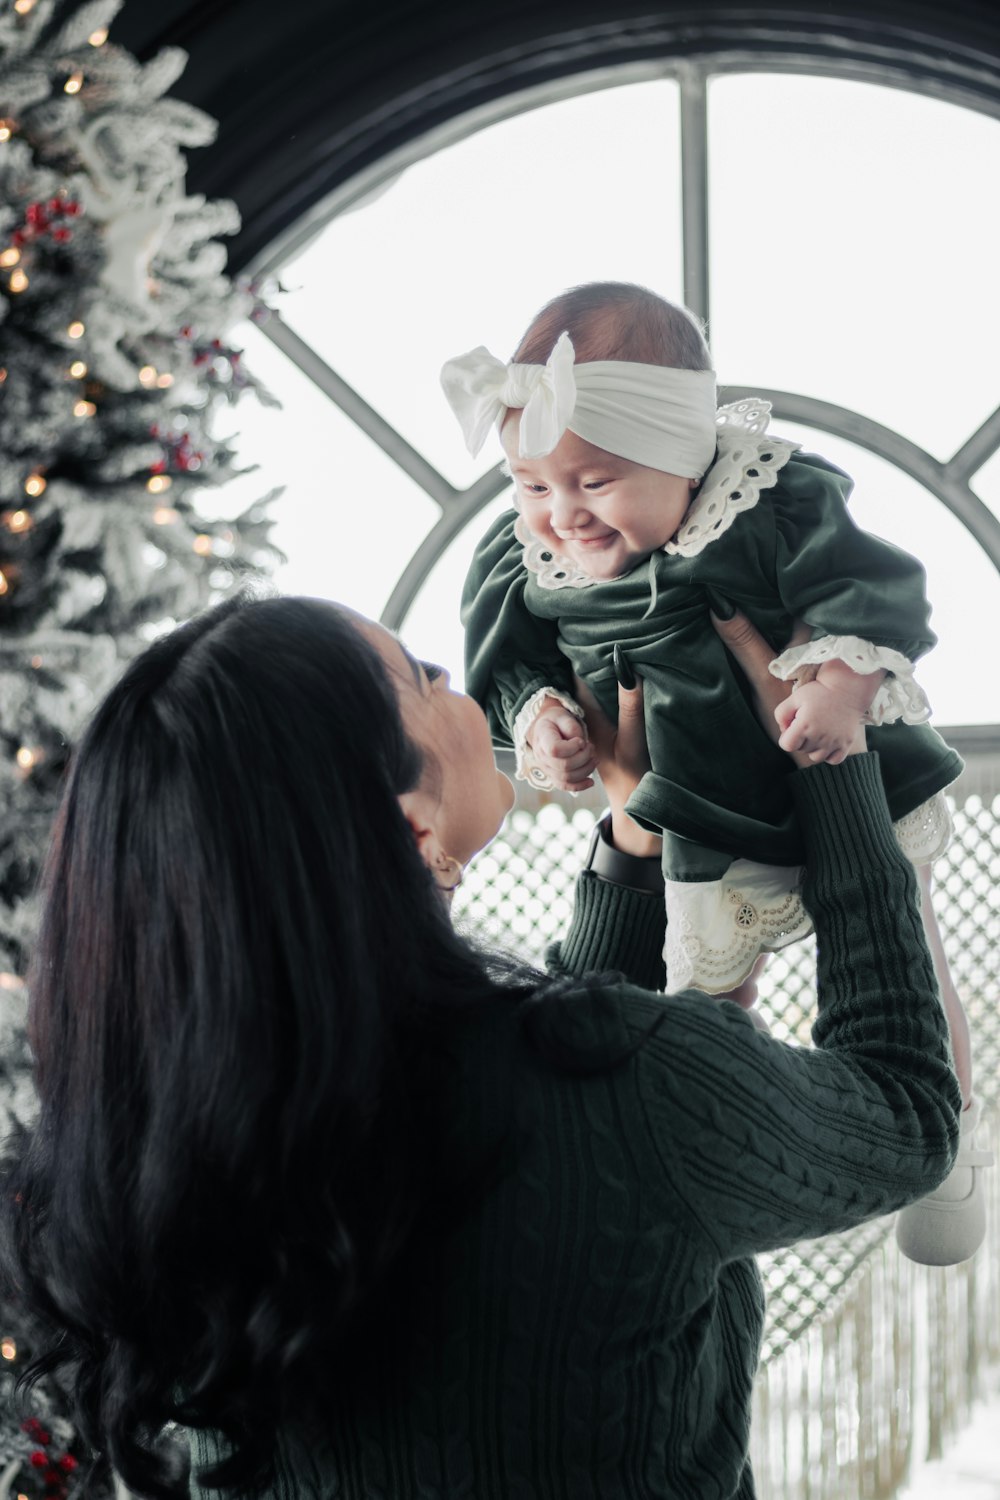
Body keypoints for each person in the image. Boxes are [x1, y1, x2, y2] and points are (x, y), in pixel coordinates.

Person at [0, 588, 965, 1500]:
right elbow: (908, 1114)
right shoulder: (640, 1087)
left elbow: (550, 1148)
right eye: (425, 678)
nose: (462, 690)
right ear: (412, 826)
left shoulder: (160, 1170)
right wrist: (834, 765)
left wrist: (633, 844)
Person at [442, 279, 991, 1265]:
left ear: (683, 456)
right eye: (533, 486)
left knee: (908, 958)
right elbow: (505, 660)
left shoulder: (769, 502)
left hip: (835, 775)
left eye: (595, 482)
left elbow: (866, 587)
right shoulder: (522, 558)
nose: (560, 514)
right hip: (691, 813)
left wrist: (833, 682)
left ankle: (945, 1140)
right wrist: (542, 721)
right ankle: (705, 1169)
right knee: (701, 1005)